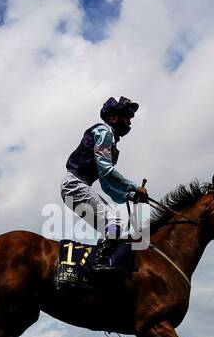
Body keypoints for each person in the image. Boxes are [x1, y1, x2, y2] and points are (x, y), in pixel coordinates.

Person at [62, 96, 149, 277]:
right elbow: (107, 171)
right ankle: (99, 265)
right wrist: (134, 187)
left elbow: (107, 186)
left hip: (77, 186)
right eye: (127, 116)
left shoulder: (111, 142)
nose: (130, 121)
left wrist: (131, 197)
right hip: (75, 184)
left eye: (131, 117)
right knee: (114, 223)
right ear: (112, 118)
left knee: (114, 228)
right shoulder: (103, 132)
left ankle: (97, 264)